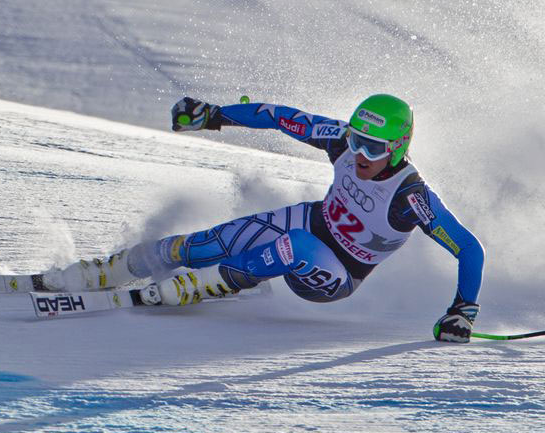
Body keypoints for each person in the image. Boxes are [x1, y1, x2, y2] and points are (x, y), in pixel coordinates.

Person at [43, 94, 484, 342]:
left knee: (295, 248)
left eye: (374, 148)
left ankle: (207, 284)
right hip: (310, 222)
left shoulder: (411, 197)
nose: (360, 154)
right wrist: (213, 116)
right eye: (355, 140)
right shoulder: (343, 142)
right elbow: (277, 117)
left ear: (399, 147)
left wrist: (462, 311)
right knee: (202, 244)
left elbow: (468, 248)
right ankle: (114, 269)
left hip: (336, 275)